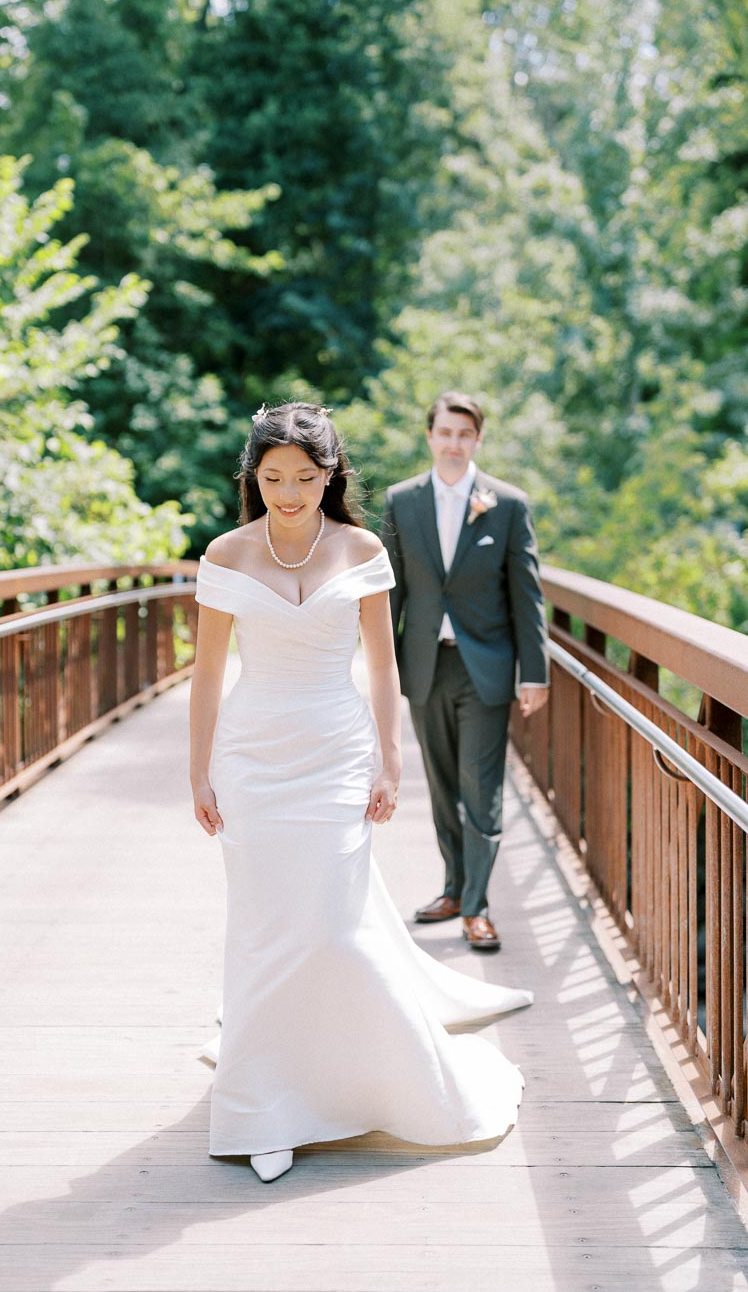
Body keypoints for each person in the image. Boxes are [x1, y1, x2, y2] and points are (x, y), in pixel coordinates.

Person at [189, 401, 533, 1183]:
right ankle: (264, 1106)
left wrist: (388, 761)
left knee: (333, 928)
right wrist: (198, 770)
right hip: (252, 759)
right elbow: (207, 673)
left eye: (304, 479)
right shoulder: (226, 555)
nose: (287, 493)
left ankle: (352, 1078)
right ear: (253, 477)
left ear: (330, 477)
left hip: (336, 754)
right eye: (272, 478)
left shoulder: (362, 547)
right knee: (265, 926)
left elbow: (382, 666)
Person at [381, 393, 549, 952]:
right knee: (441, 783)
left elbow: (527, 595)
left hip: (486, 669)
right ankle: (453, 886)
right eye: (445, 432)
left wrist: (536, 672)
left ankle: (477, 906)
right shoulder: (401, 502)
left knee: (482, 789)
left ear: (478, 440)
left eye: (465, 434)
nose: (454, 443)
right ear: (430, 436)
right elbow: (392, 595)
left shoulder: (507, 504)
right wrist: (378, 670)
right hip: (425, 666)